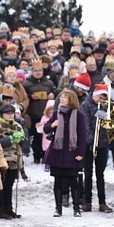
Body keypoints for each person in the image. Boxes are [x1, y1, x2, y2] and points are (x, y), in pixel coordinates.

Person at [43, 89, 87, 217]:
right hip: (57, 153)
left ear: (71, 100)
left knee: (74, 181)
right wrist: (52, 125)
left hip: (72, 154)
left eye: (64, 97)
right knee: (58, 181)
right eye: (61, 97)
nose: (61, 99)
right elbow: (45, 128)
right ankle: (58, 208)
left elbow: (82, 136)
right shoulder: (57, 113)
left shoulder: (79, 115)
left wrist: (80, 153)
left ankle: (76, 208)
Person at [80, 84, 112, 213]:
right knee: (88, 174)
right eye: (100, 97)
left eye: (104, 97)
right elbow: (85, 124)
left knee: (100, 174)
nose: (102, 99)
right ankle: (87, 201)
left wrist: (104, 111)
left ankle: (102, 202)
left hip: (102, 143)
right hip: (89, 144)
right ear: (95, 95)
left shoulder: (104, 107)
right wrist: (90, 140)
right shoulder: (85, 105)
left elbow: (106, 123)